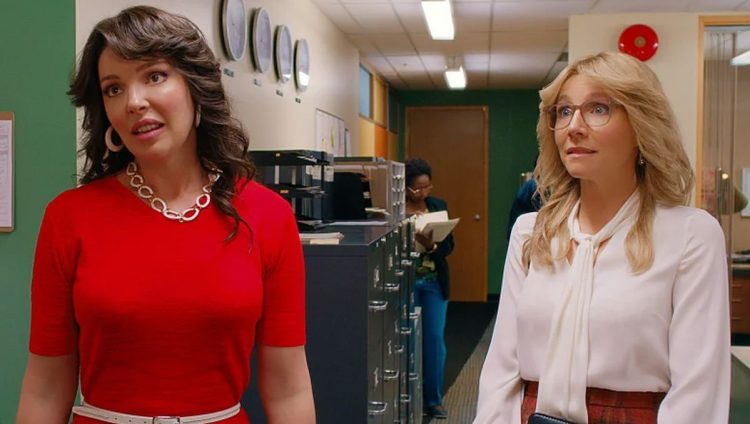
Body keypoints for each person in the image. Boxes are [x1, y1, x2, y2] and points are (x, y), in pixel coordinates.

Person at [16, 6, 314, 423]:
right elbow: (45, 390)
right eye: (113, 88)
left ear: (196, 86)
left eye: (154, 76)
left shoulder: (267, 216)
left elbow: (288, 389)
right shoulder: (69, 218)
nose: (134, 102)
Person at [475, 51, 730, 424]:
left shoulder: (691, 235)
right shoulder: (532, 232)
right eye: (564, 111)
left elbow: (698, 395)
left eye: (598, 109)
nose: (574, 126)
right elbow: (502, 372)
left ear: (642, 125)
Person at [404, 158, 455, 420]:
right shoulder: (396, 210)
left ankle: (433, 400)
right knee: (408, 341)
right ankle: (407, 398)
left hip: (433, 282)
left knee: (434, 341)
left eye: (427, 187)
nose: (423, 193)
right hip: (406, 282)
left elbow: (449, 246)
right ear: (406, 187)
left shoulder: (437, 206)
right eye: (417, 188)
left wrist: (431, 245)